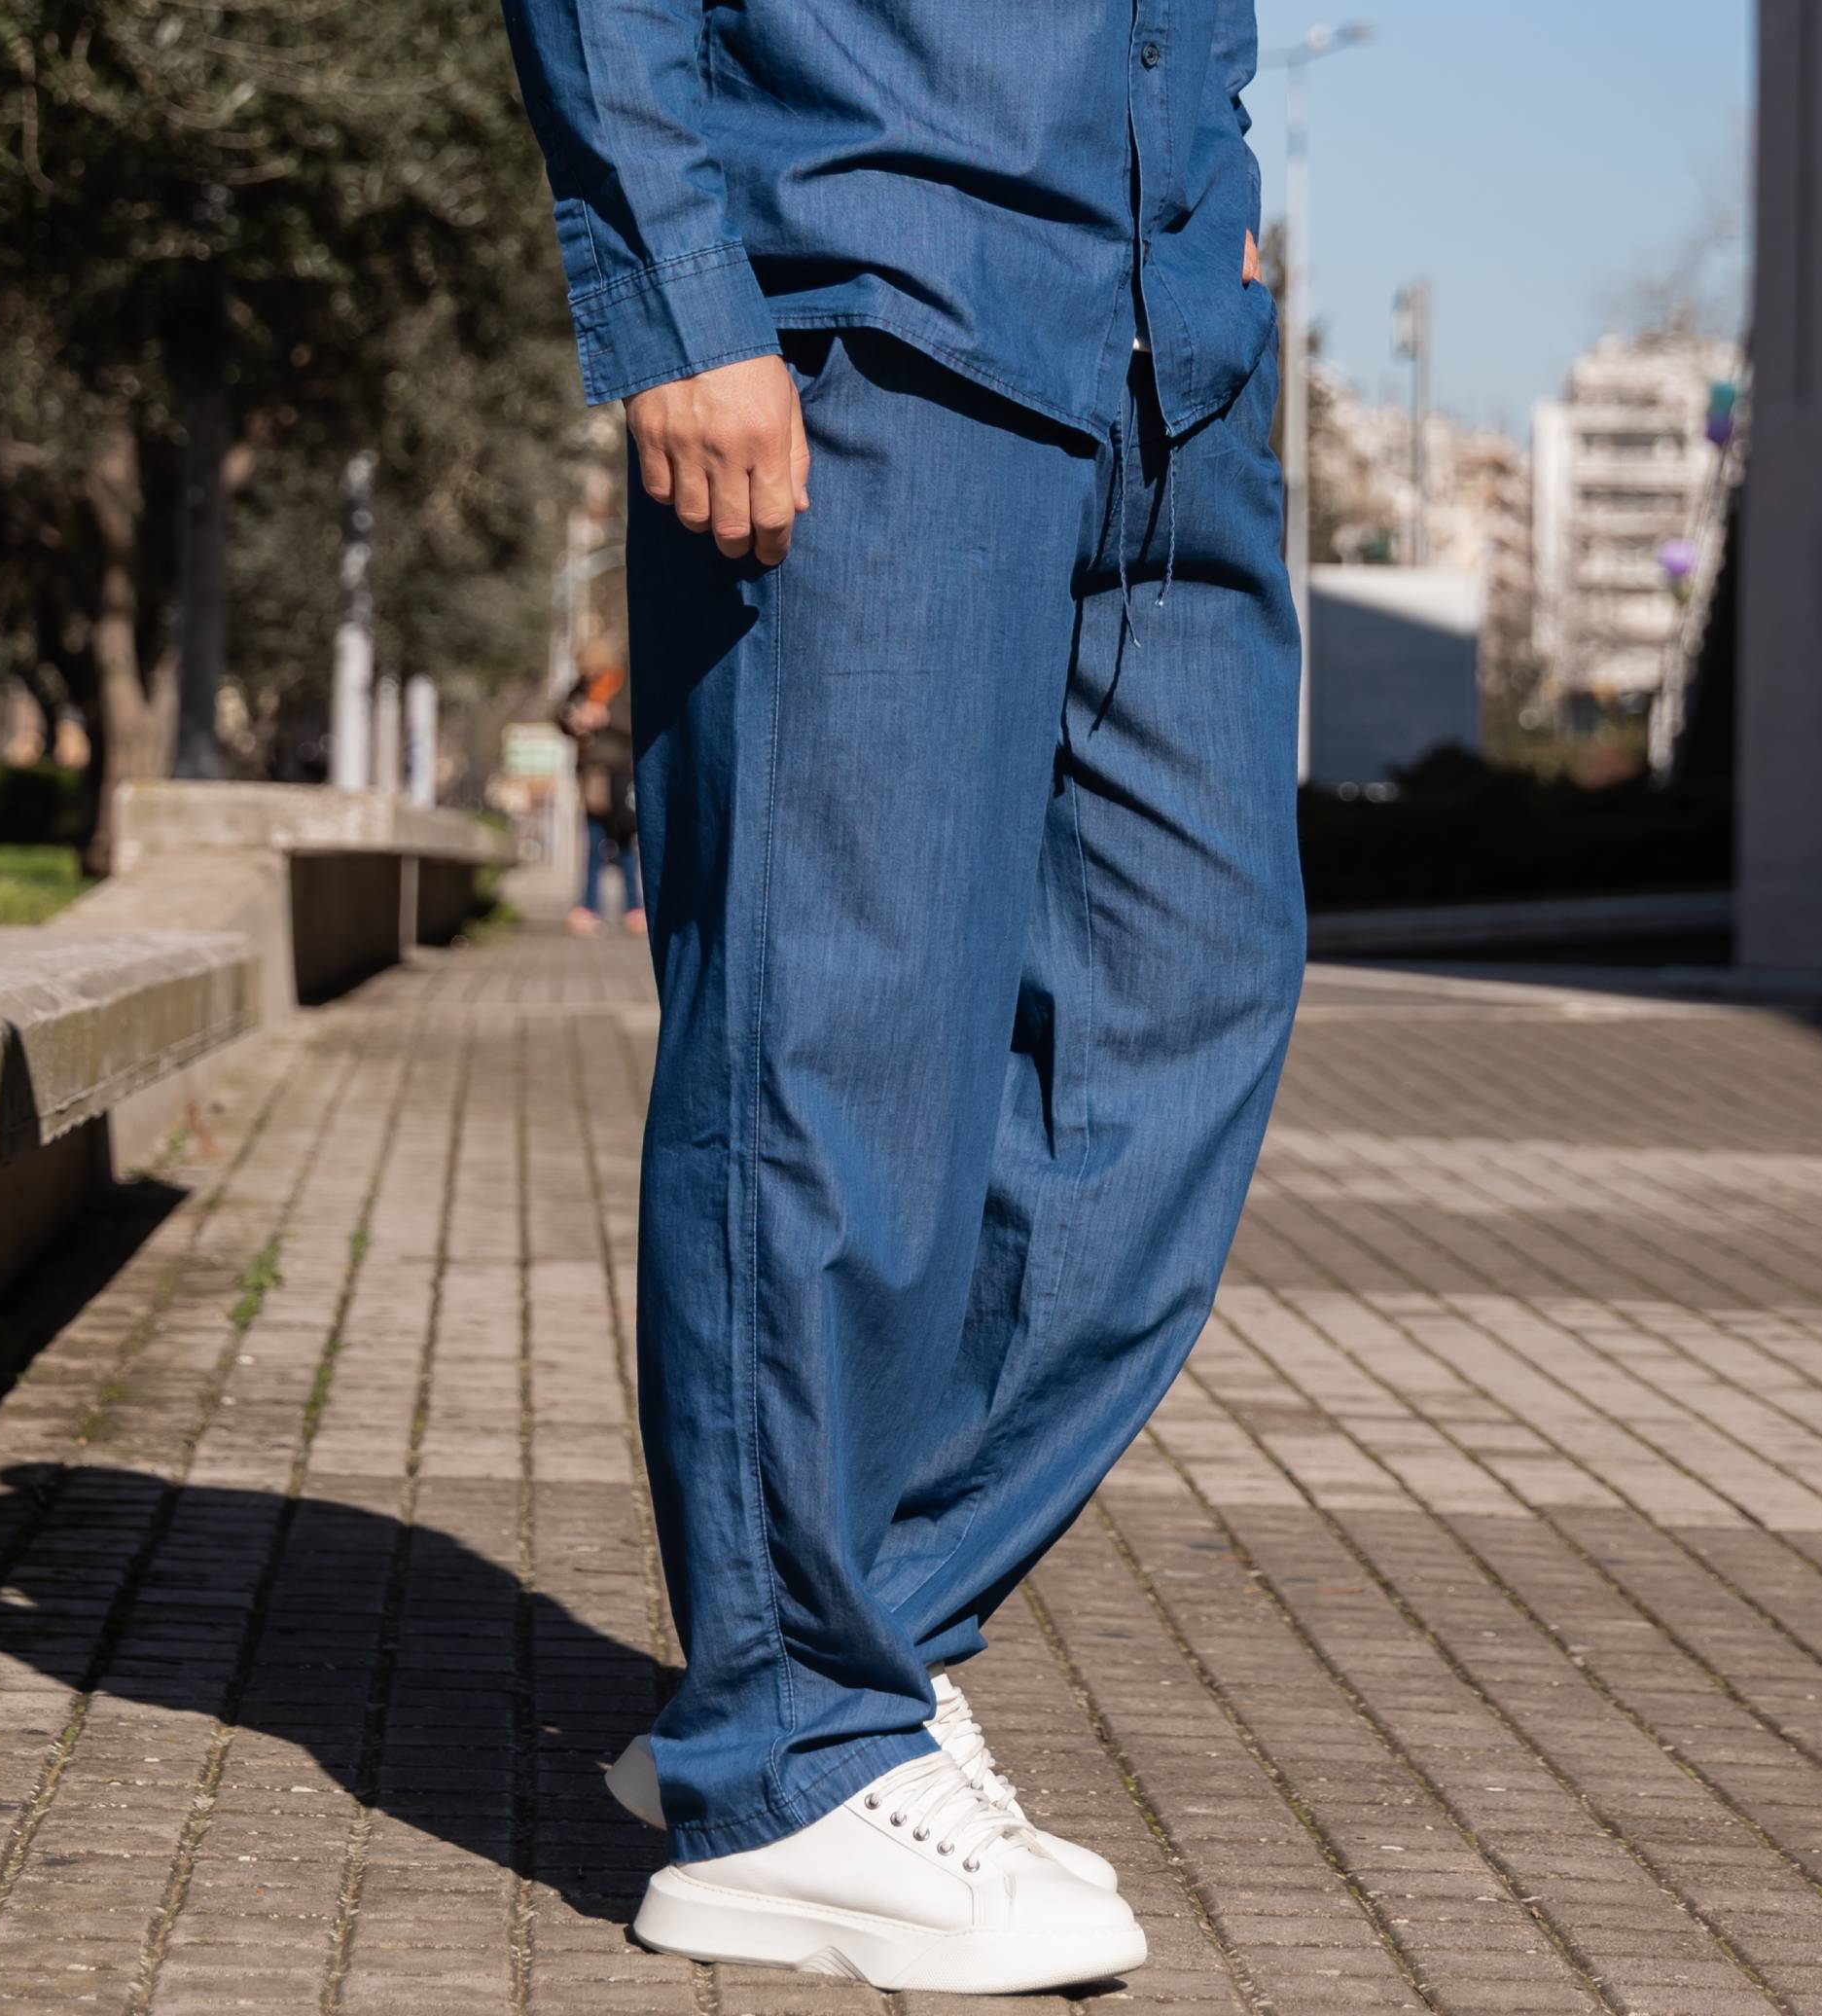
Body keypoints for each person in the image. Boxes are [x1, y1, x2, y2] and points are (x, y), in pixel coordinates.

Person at [501, 0, 1306, 1993]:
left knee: (1184, 996)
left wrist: (1212, 204)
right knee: (836, 1036)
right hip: (872, 289)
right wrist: (678, 297)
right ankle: (793, 1757)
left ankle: (813, 1648)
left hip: (1167, 338)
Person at [555, 654, 643, 936]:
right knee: (593, 842)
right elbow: (558, 715)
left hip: (620, 775)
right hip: (592, 777)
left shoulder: (624, 685)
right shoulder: (581, 688)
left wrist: (605, 718)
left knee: (625, 843)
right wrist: (572, 719)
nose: (590, 674)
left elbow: (637, 724)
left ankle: (634, 908)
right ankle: (587, 907)